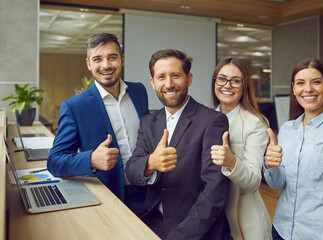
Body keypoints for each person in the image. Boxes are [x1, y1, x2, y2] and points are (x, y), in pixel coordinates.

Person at [126, 49, 232, 239]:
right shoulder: (148, 122)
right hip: (153, 221)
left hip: (196, 230)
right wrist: (151, 163)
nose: (169, 84)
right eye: (161, 77)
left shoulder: (213, 121)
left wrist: (179, 236)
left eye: (176, 75)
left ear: (189, 79)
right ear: (152, 82)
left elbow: (214, 192)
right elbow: (132, 170)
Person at [47, 33, 149, 216]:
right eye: (97, 59)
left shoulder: (139, 91)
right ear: (88, 64)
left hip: (148, 194)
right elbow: (55, 162)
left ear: (122, 59)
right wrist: (91, 159)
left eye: (112, 57)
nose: (106, 65)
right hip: (109, 200)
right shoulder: (75, 107)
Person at [264, 58, 323, 240]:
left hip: (318, 235)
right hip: (281, 230)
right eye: (301, 83)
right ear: (293, 89)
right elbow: (278, 184)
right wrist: (270, 165)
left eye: (316, 82)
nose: (308, 89)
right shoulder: (287, 129)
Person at [210, 58, 272, 240]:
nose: (227, 85)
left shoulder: (255, 124)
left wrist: (232, 162)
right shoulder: (205, 118)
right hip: (212, 220)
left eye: (236, 80)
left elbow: (253, 181)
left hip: (244, 222)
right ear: (214, 82)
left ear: (244, 86)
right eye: (222, 79)